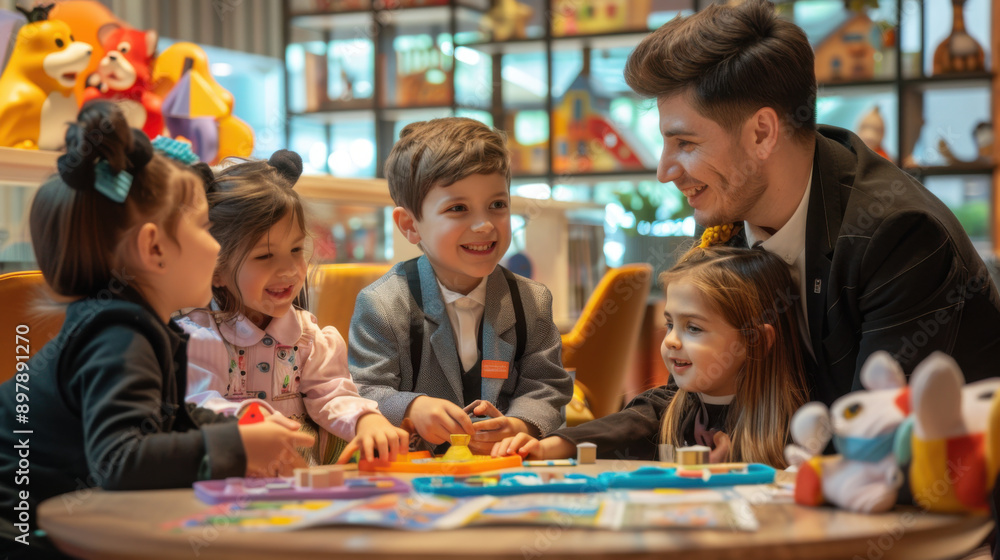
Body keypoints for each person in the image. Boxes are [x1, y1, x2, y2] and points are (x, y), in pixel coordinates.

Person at [623, 0, 999, 406]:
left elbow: (872, 429)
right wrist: (578, 437)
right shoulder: (728, 211)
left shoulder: (897, 235)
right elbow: (688, 400)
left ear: (762, 134)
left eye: (685, 143)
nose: (664, 171)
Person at [0, 101, 311, 556]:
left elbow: (165, 423)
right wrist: (235, 445)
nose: (216, 247)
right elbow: (119, 460)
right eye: (204, 227)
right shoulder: (118, 336)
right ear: (154, 249)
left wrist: (242, 428)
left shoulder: (137, 325)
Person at [349, 117, 573, 455]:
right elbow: (363, 390)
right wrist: (412, 407)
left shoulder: (531, 301)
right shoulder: (382, 305)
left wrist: (520, 425)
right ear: (410, 225)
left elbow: (547, 386)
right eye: (458, 208)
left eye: (497, 205)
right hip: (415, 473)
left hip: (505, 470)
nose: (484, 225)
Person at [492, 236, 809, 466]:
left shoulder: (798, 428)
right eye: (670, 324)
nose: (671, 341)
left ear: (755, 342)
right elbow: (617, 429)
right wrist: (545, 447)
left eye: (693, 328)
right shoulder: (665, 410)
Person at [177, 151, 408, 465]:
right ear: (216, 268)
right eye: (265, 256)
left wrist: (366, 420)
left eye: (296, 249)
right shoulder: (199, 336)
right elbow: (200, 402)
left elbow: (332, 393)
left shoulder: (308, 337)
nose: (288, 270)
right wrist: (251, 418)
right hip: (232, 480)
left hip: (298, 482)